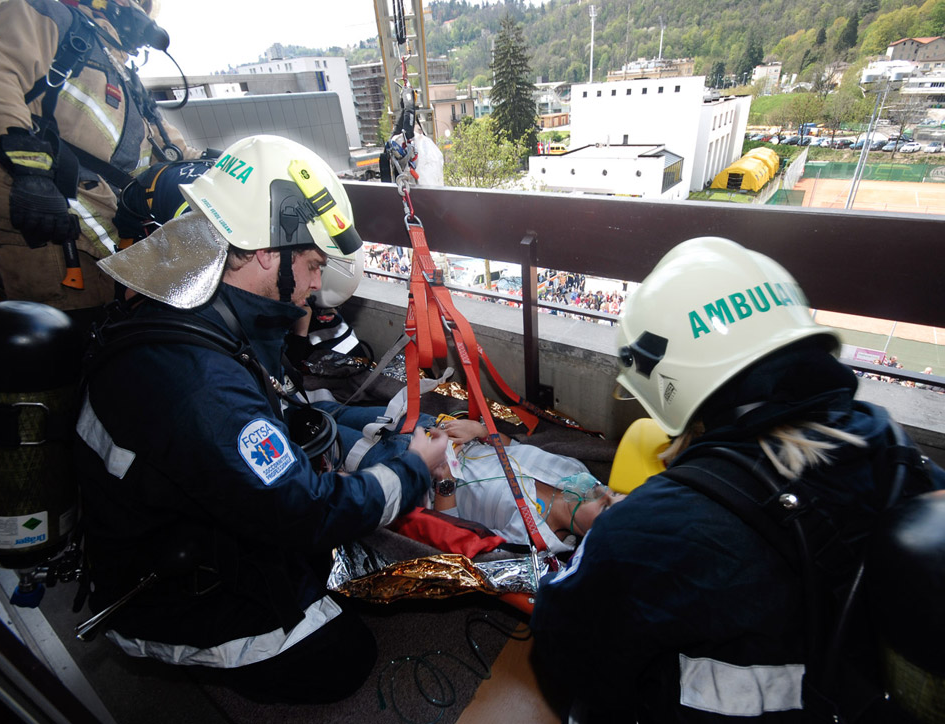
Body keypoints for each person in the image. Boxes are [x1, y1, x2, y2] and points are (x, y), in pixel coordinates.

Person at [74, 134, 449, 704]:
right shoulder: (202, 385)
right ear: (264, 252)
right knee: (348, 657)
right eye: (313, 264)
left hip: (174, 525)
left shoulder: (186, 308)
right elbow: (303, 511)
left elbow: (273, 419)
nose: (318, 287)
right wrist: (414, 469)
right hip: (171, 588)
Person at [530, 237, 944, 722]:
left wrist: (622, 540)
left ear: (669, 388)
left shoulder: (642, 532)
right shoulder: (889, 444)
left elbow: (561, 649)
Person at [0, 0, 201, 320]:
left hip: (110, 238)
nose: (143, 17)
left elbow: (167, 146)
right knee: (67, 346)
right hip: (48, 229)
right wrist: (31, 173)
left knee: (123, 343)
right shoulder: (47, 14)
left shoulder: (119, 68)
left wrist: (226, 167)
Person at [431, 417, 622, 552]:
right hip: (449, 433)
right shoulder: (574, 469)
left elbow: (449, 533)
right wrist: (480, 431)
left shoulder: (527, 542)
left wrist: (445, 481)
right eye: (614, 493)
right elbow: (514, 448)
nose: (603, 492)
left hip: (424, 475)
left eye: (605, 507)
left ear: (593, 538)